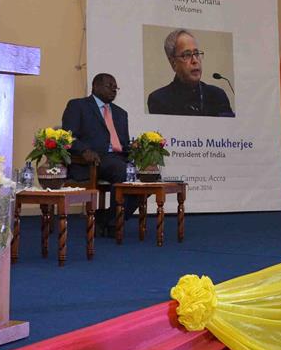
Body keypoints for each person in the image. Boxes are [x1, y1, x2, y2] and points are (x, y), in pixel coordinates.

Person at [62, 73, 138, 230]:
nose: (113, 90)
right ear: (95, 86)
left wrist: (139, 153)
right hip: (92, 160)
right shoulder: (78, 106)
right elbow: (67, 137)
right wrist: (84, 150)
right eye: (109, 86)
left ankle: (107, 219)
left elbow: (124, 144)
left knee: (151, 177)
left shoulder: (121, 113)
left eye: (115, 87)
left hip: (118, 158)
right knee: (121, 170)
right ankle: (112, 223)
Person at [147, 29, 234, 116]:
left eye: (196, 53)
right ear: (173, 63)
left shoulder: (217, 95)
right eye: (187, 55)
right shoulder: (159, 100)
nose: (195, 60)